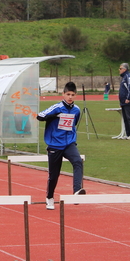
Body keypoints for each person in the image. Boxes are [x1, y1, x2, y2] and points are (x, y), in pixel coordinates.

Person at [37, 81, 85, 210]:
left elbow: (73, 124)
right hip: (54, 145)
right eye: (68, 94)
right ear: (63, 94)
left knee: (78, 161)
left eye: (73, 95)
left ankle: (77, 191)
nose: (70, 97)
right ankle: (50, 197)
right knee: (54, 175)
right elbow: (40, 116)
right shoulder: (56, 107)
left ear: (76, 96)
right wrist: (54, 116)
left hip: (69, 143)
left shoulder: (77, 110)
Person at [118, 62, 130, 139]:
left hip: (129, 102)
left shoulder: (129, 77)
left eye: (120, 68)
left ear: (124, 69)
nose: (119, 70)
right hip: (123, 102)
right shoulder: (124, 78)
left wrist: (128, 98)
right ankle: (128, 134)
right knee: (125, 118)